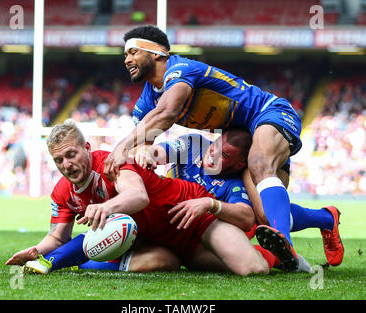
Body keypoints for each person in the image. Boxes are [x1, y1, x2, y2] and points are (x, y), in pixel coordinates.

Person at [103, 25, 305, 270]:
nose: (127, 59)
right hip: (240, 136)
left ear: (156, 53)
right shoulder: (146, 100)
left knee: (260, 163)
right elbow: (142, 146)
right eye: (125, 55)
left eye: (133, 52)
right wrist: (142, 152)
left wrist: (122, 146)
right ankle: (326, 218)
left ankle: (285, 245)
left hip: (268, 112)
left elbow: (167, 112)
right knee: (263, 215)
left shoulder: (180, 69)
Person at [6, 120, 281, 276]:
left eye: (71, 155)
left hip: (193, 216)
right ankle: (82, 260)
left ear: (86, 149)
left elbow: (139, 197)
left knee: (252, 270)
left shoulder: (112, 163)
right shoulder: (61, 192)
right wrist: (38, 251)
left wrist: (105, 206)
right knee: (165, 264)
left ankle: (278, 256)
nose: (66, 164)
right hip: (163, 242)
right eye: (59, 160)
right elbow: (57, 237)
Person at [135, 128, 344, 267]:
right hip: (169, 219)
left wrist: (211, 204)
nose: (212, 155)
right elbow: (162, 151)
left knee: (261, 216)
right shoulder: (194, 144)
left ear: (238, 165)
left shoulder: (235, 184)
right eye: (214, 147)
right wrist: (149, 154)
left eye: (223, 156)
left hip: (201, 234)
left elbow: (246, 218)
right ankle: (325, 218)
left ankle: (285, 254)